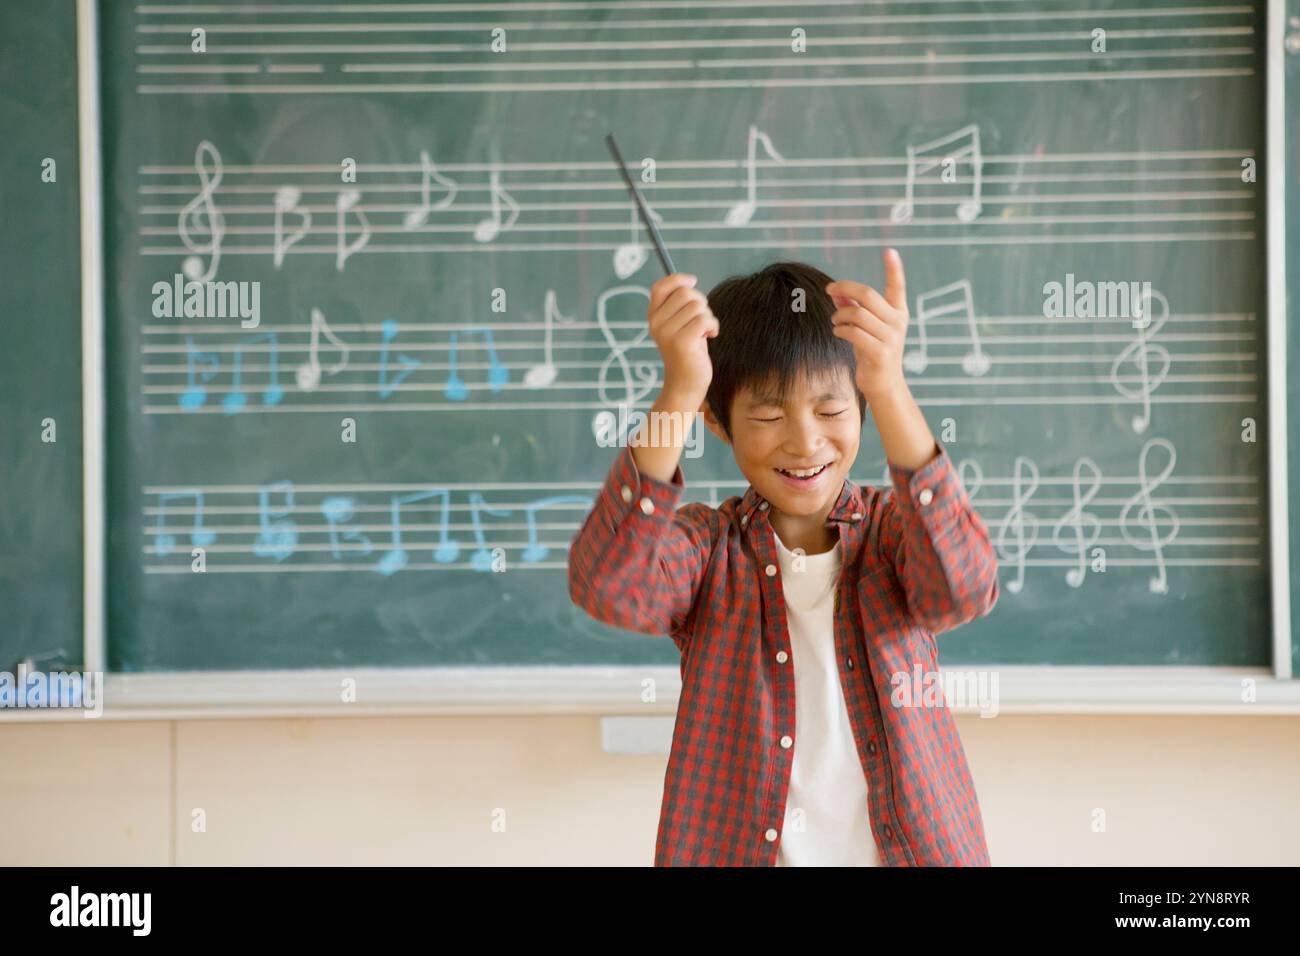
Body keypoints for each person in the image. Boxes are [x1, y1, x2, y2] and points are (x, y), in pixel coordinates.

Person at [568, 249, 1000, 866]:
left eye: (831, 410)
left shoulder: (893, 535)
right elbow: (606, 583)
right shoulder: (707, 552)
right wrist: (682, 390)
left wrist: (890, 384)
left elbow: (963, 587)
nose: (804, 441)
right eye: (768, 414)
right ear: (718, 423)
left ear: (862, 410)